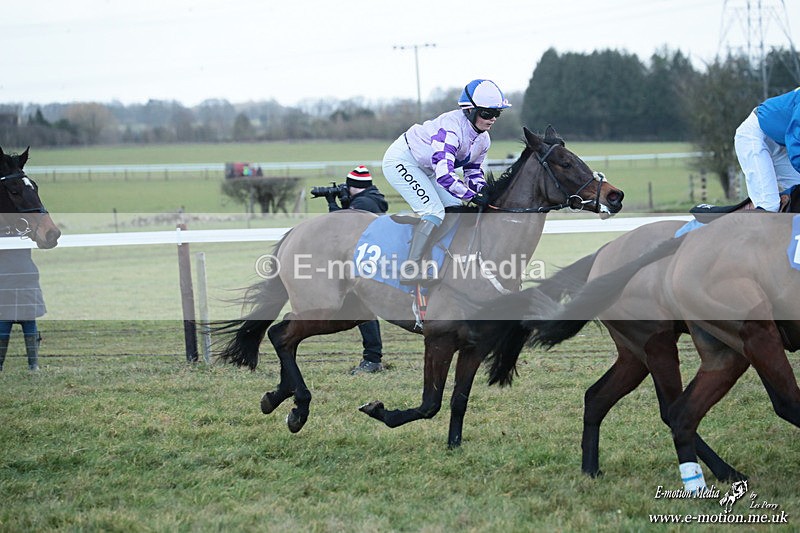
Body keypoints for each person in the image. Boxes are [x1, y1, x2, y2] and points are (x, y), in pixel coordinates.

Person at [382, 79, 511, 283]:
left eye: (497, 113)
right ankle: (411, 268)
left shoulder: (484, 139)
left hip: (428, 167)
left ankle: (438, 257)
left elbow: (473, 172)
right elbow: (444, 175)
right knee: (433, 211)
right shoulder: (451, 129)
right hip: (403, 161)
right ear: (469, 110)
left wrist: (485, 192)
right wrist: (473, 196)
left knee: (456, 208)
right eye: (487, 113)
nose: (493, 118)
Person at [325, 165, 390, 374]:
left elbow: (341, 226)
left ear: (354, 186)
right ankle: (372, 357)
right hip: (372, 259)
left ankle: (372, 358)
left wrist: (331, 203)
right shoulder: (371, 199)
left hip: (368, 263)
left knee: (364, 307)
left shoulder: (363, 202)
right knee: (362, 307)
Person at [734, 86, 800, 212]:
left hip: (781, 144)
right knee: (769, 206)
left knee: (798, 196)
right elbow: (796, 145)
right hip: (754, 135)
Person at [0, 243, 46, 371]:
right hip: (7, 280)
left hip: (22, 280)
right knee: (4, 324)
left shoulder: (24, 230)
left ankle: (33, 365)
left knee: (28, 322)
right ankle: (32, 366)